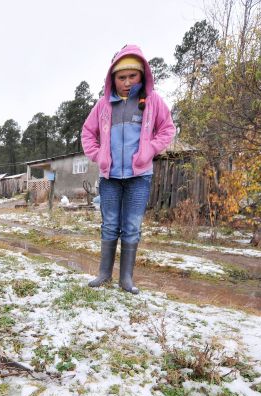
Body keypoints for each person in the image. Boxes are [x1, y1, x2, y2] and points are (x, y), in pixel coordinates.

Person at [81, 45, 176, 294]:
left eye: (132, 76)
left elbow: (167, 129)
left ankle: (126, 279)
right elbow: (87, 133)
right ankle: (104, 274)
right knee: (110, 224)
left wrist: (150, 149)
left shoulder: (152, 102)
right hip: (110, 177)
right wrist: (98, 155)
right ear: (112, 78)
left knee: (132, 226)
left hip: (139, 177)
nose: (126, 82)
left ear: (142, 75)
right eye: (121, 77)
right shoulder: (103, 105)